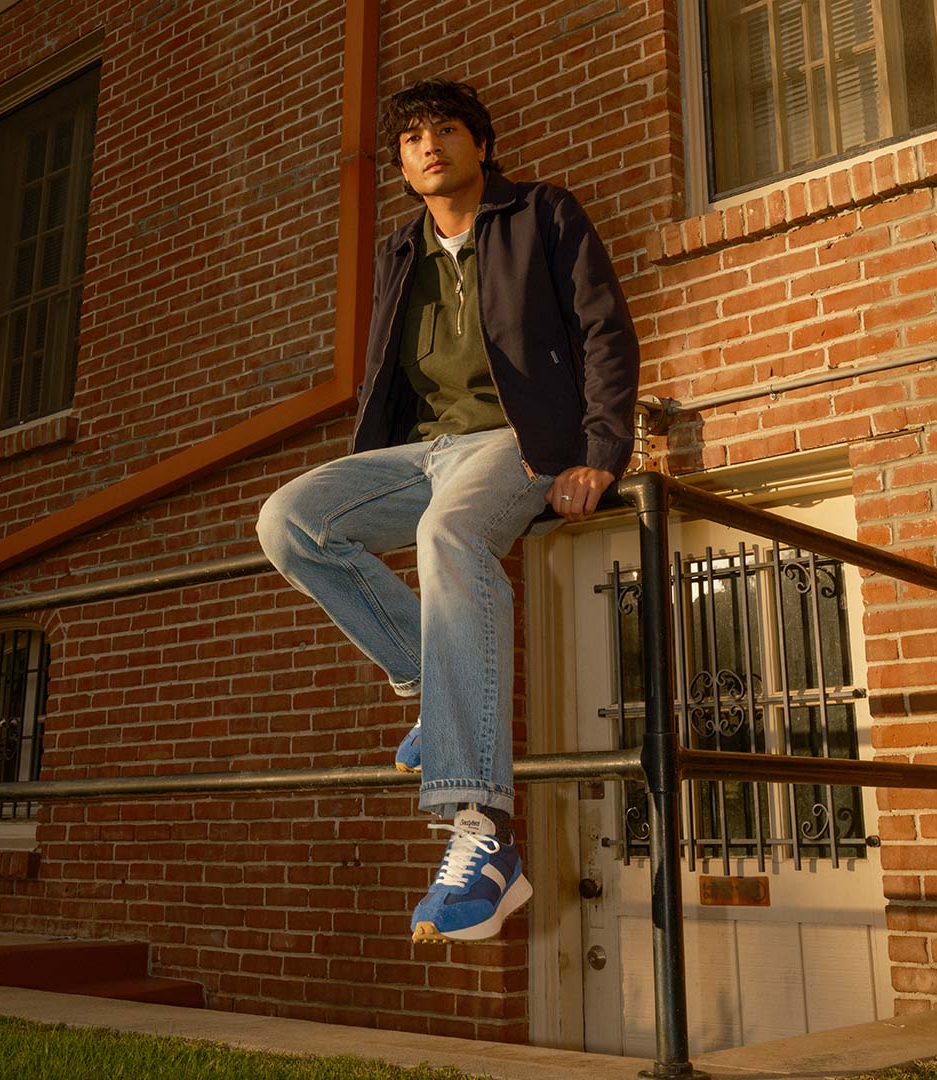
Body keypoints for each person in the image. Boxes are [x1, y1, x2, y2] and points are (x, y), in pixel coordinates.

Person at [257, 79, 639, 944]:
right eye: (410, 139)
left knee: (449, 534)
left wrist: (599, 451)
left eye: (445, 131)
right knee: (288, 521)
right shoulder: (402, 249)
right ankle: (435, 683)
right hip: (418, 453)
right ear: (400, 164)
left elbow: (605, 330)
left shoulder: (542, 214)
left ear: (479, 143)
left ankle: (482, 834)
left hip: (515, 438)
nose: (428, 147)